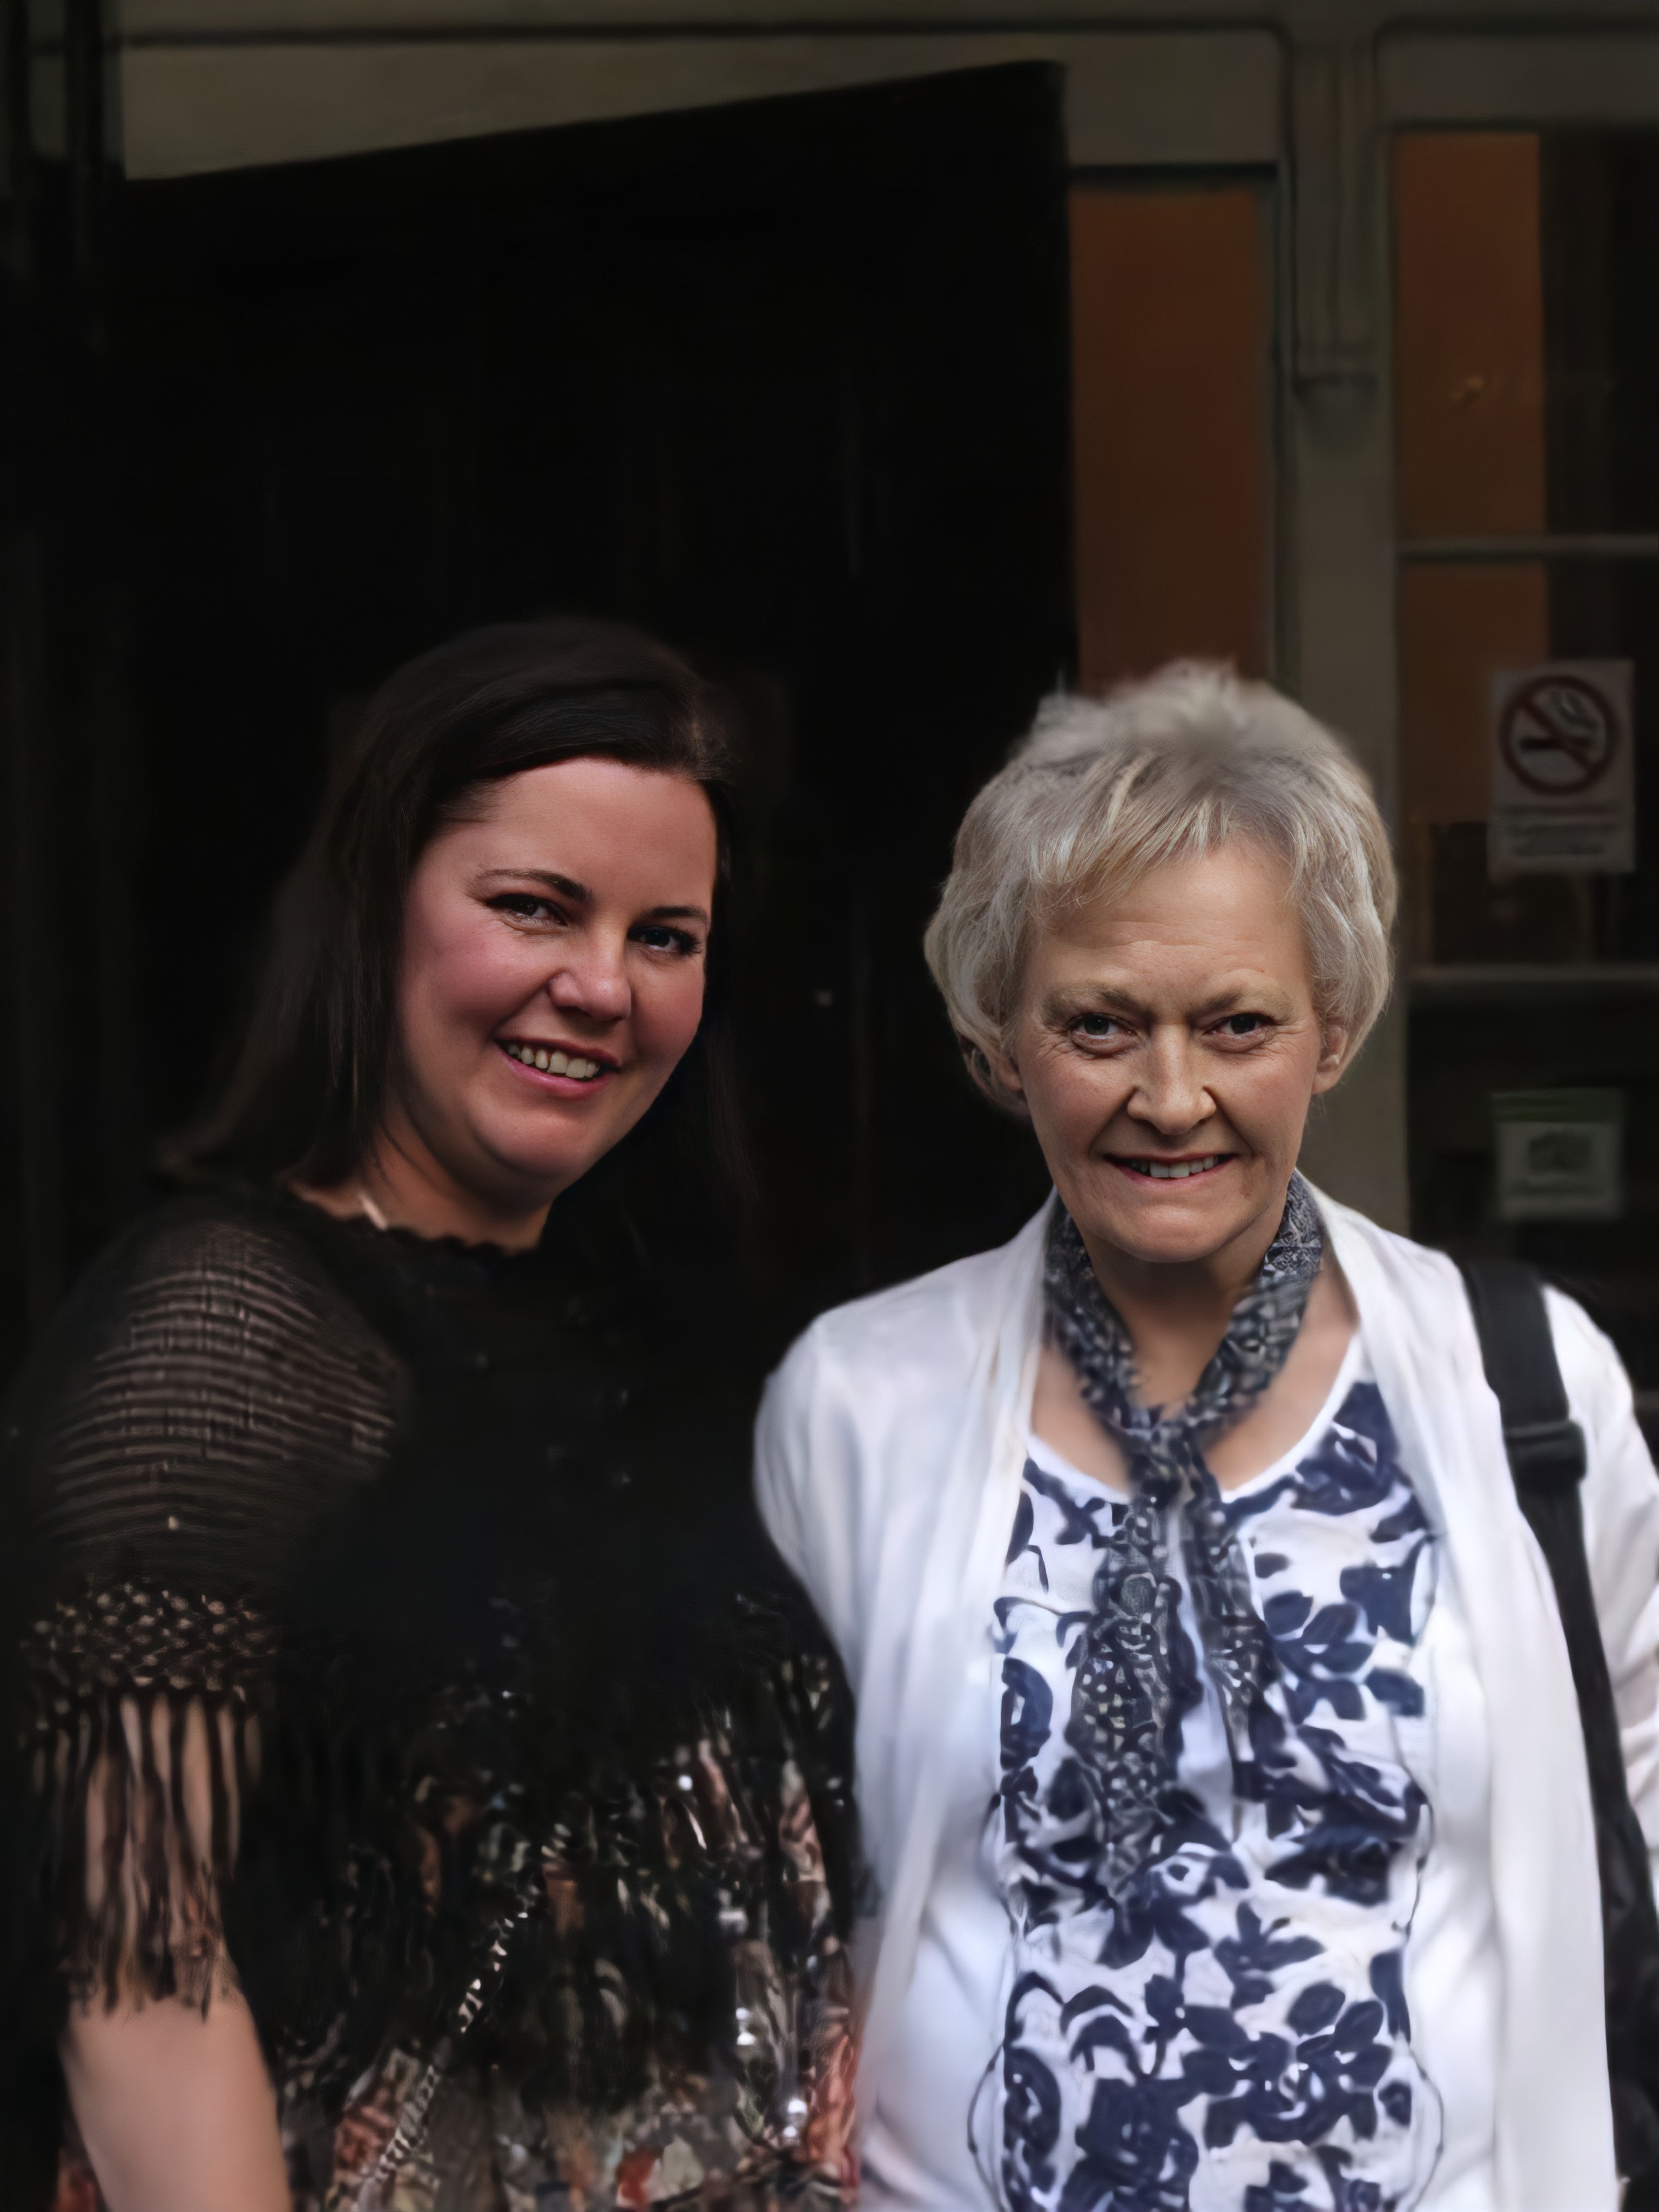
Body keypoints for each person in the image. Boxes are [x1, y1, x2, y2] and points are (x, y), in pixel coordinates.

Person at [756, 664, 1659, 2212]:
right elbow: (776, 1890)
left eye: (1237, 1024)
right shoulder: (857, 1403)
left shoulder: (1523, 1384)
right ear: (1001, 1034)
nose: (1171, 1098)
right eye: (1099, 1024)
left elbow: (1641, 1789)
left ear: (1333, 1028)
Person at [2, 617, 857, 2212]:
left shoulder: (647, 1335)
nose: (600, 986)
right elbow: (138, 1979)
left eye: (666, 937)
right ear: (375, 906)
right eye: (534, 907)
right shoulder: (227, 1328)